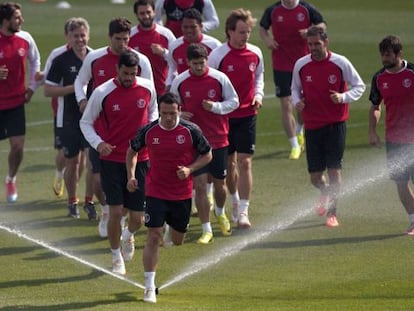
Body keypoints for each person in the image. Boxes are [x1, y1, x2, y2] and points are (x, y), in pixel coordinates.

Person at [126, 92, 212, 303]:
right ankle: (148, 287)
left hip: (181, 194)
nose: (168, 118)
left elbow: (208, 154)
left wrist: (190, 170)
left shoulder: (191, 131)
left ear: (179, 111)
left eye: (172, 113)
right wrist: (131, 176)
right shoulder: (148, 131)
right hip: (155, 191)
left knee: (177, 240)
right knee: (153, 235)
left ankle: (169, 230)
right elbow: (131, 151)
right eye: (164, 113)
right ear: (159, 112)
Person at [74, 17, 153, 238]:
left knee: (131, 197)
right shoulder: (95, 58)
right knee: (97, 180)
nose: (122, 43)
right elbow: (80, 82)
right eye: (118, 39)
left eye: (126, 39)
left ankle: (116, 215)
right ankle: (108, 211)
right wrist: (82, 100)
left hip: (134, 141)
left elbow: (150, 98)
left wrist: (148, 131)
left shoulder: (141, 62)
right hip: (102, 132)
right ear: (110, 37)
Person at [81, 51, 158, 275]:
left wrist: (149, 133)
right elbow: (85, 122)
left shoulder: (147, 87)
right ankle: (116, 257)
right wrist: (98, 143)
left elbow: (153, 112)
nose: (129, 78)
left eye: (133, 74)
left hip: (140, 159)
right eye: (125, 73)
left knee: (138, 218)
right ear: (117, 70)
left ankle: (128, 235)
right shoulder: (102, 92)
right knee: (115, 212)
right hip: (112, 160)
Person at [291, 26, 365, 227]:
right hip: (312, 126)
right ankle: (325, 193)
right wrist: (297, 102)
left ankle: (332, 213)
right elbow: (295, 90)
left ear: (326, 42)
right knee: (315, 178)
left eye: (317, 44)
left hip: (335, 125)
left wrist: (343, 97)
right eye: (310, 44)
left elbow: (359, 86)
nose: (313, 48)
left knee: (334, 171)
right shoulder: (301, 65)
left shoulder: (340, 63)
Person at [170, 43, 239, 244]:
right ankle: (206, 229)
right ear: (188, 63)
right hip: (194, 142)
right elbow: (172, 107)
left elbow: (234, 101)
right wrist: (179, 115)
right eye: (195, 63)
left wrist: (215, 107)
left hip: (218, 139)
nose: (199, 67)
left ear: (206, 61)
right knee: (200, 185)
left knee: (219, 185)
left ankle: (220, 212)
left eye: (202, 63)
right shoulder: (180, 82)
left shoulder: (219, 78)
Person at [209, 8, 264, 228]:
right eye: (241, 32)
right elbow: (210, 82)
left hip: (248, 114)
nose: (245, 36)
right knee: (229, 164)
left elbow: (259, 76)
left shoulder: (255, 53)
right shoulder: (218, 55)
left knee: (245, 161)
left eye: (248, 31)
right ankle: (233, 200)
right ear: (230, 32)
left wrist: (258, 95)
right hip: (224, 118)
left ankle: (243, 212)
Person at [259, 0, 325, 160]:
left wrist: (310, 30)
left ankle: (300, 128)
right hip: (281, 64)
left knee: (302, 103)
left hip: (303, 64)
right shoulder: (273, 10)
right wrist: (267, 40)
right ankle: (295, 145)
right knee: (286, 103)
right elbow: (262, 28)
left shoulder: (306, 8)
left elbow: (322, 25)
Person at [44, 18, 94, 219]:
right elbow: (48, 90)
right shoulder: (60, 59)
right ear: (68, 37)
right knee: (72, 162)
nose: (80, 39)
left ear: (88, 35)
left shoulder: (95, 57)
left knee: (91, 162)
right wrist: (74, 89)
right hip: (68, 119)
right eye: (76, 36)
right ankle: (72, 200)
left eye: (83, 35)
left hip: (91, 118)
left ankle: (89, 201)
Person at [368, 35, 414, 236]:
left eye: (388, 55)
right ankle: (413, 220)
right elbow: (376, 106)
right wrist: (372, 131)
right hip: (394, 138)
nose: (384, 59)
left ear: (399, 53)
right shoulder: (379, 78)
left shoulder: (412, 73)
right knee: (401, 182)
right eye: (382, 55)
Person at [0, 2, 41, 203]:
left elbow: (35, 61)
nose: (21, 20)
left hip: (15, 103)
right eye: (17, 17)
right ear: (5, 21)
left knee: (17, 146)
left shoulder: (25, 38)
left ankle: (10, 179)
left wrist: (32, 87)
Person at [166, 8, 220, 89]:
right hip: (184, 91)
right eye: (185, 27)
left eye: (193, 27)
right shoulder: (174, 46)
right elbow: (172, 67)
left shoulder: (214, 45)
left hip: (209, 90)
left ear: (201, 26)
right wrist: (169, 83)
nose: (189, 30)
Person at [130, 0, 176, 96]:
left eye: (148, 12)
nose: (146, 16)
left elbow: (176, 60)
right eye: (142, 13)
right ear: (136, 15)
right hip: (137, 90)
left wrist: (164, 52)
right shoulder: (130, 36)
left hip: (162, 90)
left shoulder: (166, 34)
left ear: (154, 12)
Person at [154, 0, 219, 37]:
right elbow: (155, 18)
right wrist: (163, 32)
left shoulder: (203, 1)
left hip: (195, 40)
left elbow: (214, 21)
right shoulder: (164, 1)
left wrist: (198, 27)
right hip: (172, 39)